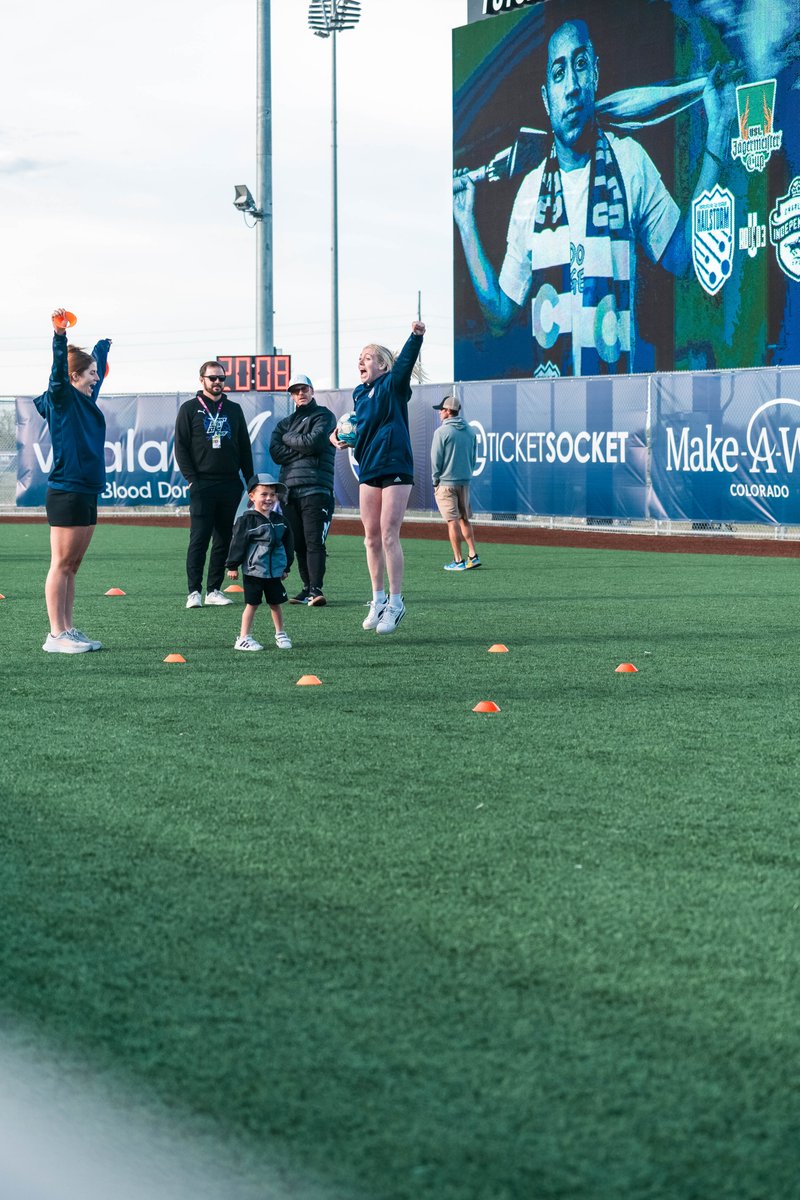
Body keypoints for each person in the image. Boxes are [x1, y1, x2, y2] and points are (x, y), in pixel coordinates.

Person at [453, 19, 734, 377]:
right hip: (555, 416)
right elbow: (499, 315)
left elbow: (684, 257)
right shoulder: (529, 193)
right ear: (546, 98)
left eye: (580, 64)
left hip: (620, 406)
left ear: (595, 75)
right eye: (559, 73)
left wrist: (718, 133)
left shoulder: (630, 161)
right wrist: (465, 222)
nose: (571, 86)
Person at [331, 320, 425, 634]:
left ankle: (396, 603)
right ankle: (379, 600)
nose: (361, 360)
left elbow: (406, 363)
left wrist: (415, 337)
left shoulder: (393, 385)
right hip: (370, 467)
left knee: (387, 534)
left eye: (368, 357)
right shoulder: (360, 393)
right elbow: (357, 426)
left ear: (383, 365)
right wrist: (340, 436)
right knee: (370, 537)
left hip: (396, 465)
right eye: (360, 357)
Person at [34, 308, 111, 654]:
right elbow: (57, 374)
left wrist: (102, 349)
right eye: (91, 374)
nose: (96, 378)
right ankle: (55, 635)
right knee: (61, 564)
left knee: (73, 567)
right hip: (66, 490)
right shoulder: (62, 399)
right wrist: (60, 337)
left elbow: (98, 376)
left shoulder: (84, 401)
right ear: (74, 377)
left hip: (87, 490)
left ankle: (67, 628)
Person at [174, 361, 254, 609]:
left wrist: (249, 482)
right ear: (202, 380)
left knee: (223, 538)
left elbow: (244, 447)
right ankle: (194, 592)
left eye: (221, 378)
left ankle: (214, 590)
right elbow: (181, 447)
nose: (218, 382)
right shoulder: (189, 409)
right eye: (213, 378)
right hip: (202, 484)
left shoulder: (234, 409)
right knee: (199, 538)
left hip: (230, 483)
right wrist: (192, 480)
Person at [268, 373, 336, 607]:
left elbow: (315, 443)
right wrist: (302, 446)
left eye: (304, 389)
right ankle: (307, 588)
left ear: (312, 390)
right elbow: (276, 453)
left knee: (314, 541)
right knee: (297, 543)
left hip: (316, 488)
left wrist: (290, 439)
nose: (300, 393)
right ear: (292, 395)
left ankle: (316, 589)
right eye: (296, 390)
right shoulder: (284, 423)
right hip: (289, 490)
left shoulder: (324, 416)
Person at [225, 474, 295, 652]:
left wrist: (286, 567)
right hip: (254, 571)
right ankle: (243, 638)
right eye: (264, 494)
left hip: (274, 572)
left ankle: (280, 633)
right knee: (252, 604)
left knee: (276, 603)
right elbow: (237, 544)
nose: (269, 498)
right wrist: (232, 565)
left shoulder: (281, 521)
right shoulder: (246, 520)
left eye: (272, 494)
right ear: (252, 496)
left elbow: (288, 543)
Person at [430, 395, 481, 572]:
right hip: (464, 481)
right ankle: (473, 555)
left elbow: (436, 460)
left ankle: (458, 560)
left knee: (452, 521)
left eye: (441, 410)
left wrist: (435, 480)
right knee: (464, 519)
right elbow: (473, 458)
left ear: (448, 411)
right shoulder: (470, 431)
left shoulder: (441, 432)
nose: (439, 413)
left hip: (445, 482)